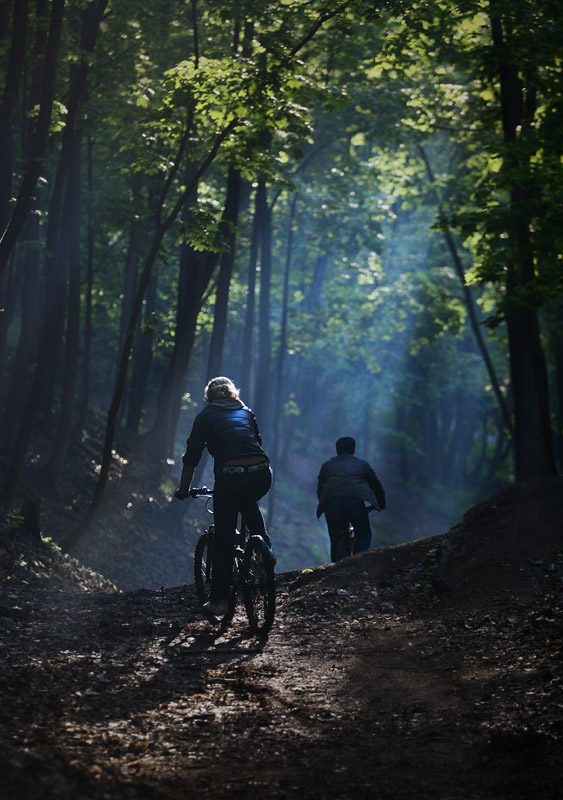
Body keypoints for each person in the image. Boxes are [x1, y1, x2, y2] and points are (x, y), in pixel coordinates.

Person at [175, 376, 273, 617]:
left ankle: (219, 600)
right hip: (262, 473)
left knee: (224, 537)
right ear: (233, 394)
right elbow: (255, 443)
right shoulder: (247, 412)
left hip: (230, 477)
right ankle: (264, 550)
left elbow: (192, 458)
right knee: (248, 502)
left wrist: (184, 488)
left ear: (209, 397)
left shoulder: (205, 417)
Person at [316, 436, 386, 562]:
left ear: (337, 450)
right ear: (353, 450)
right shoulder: (361, 465)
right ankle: (358, 560)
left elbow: (320, 488)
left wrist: (325, 504)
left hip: (332, 504)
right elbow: (376, 486)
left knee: (336, 537)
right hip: (354, 502)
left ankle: (336, 567)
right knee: (364, 533)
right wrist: (381, 503)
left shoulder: (327, 466)